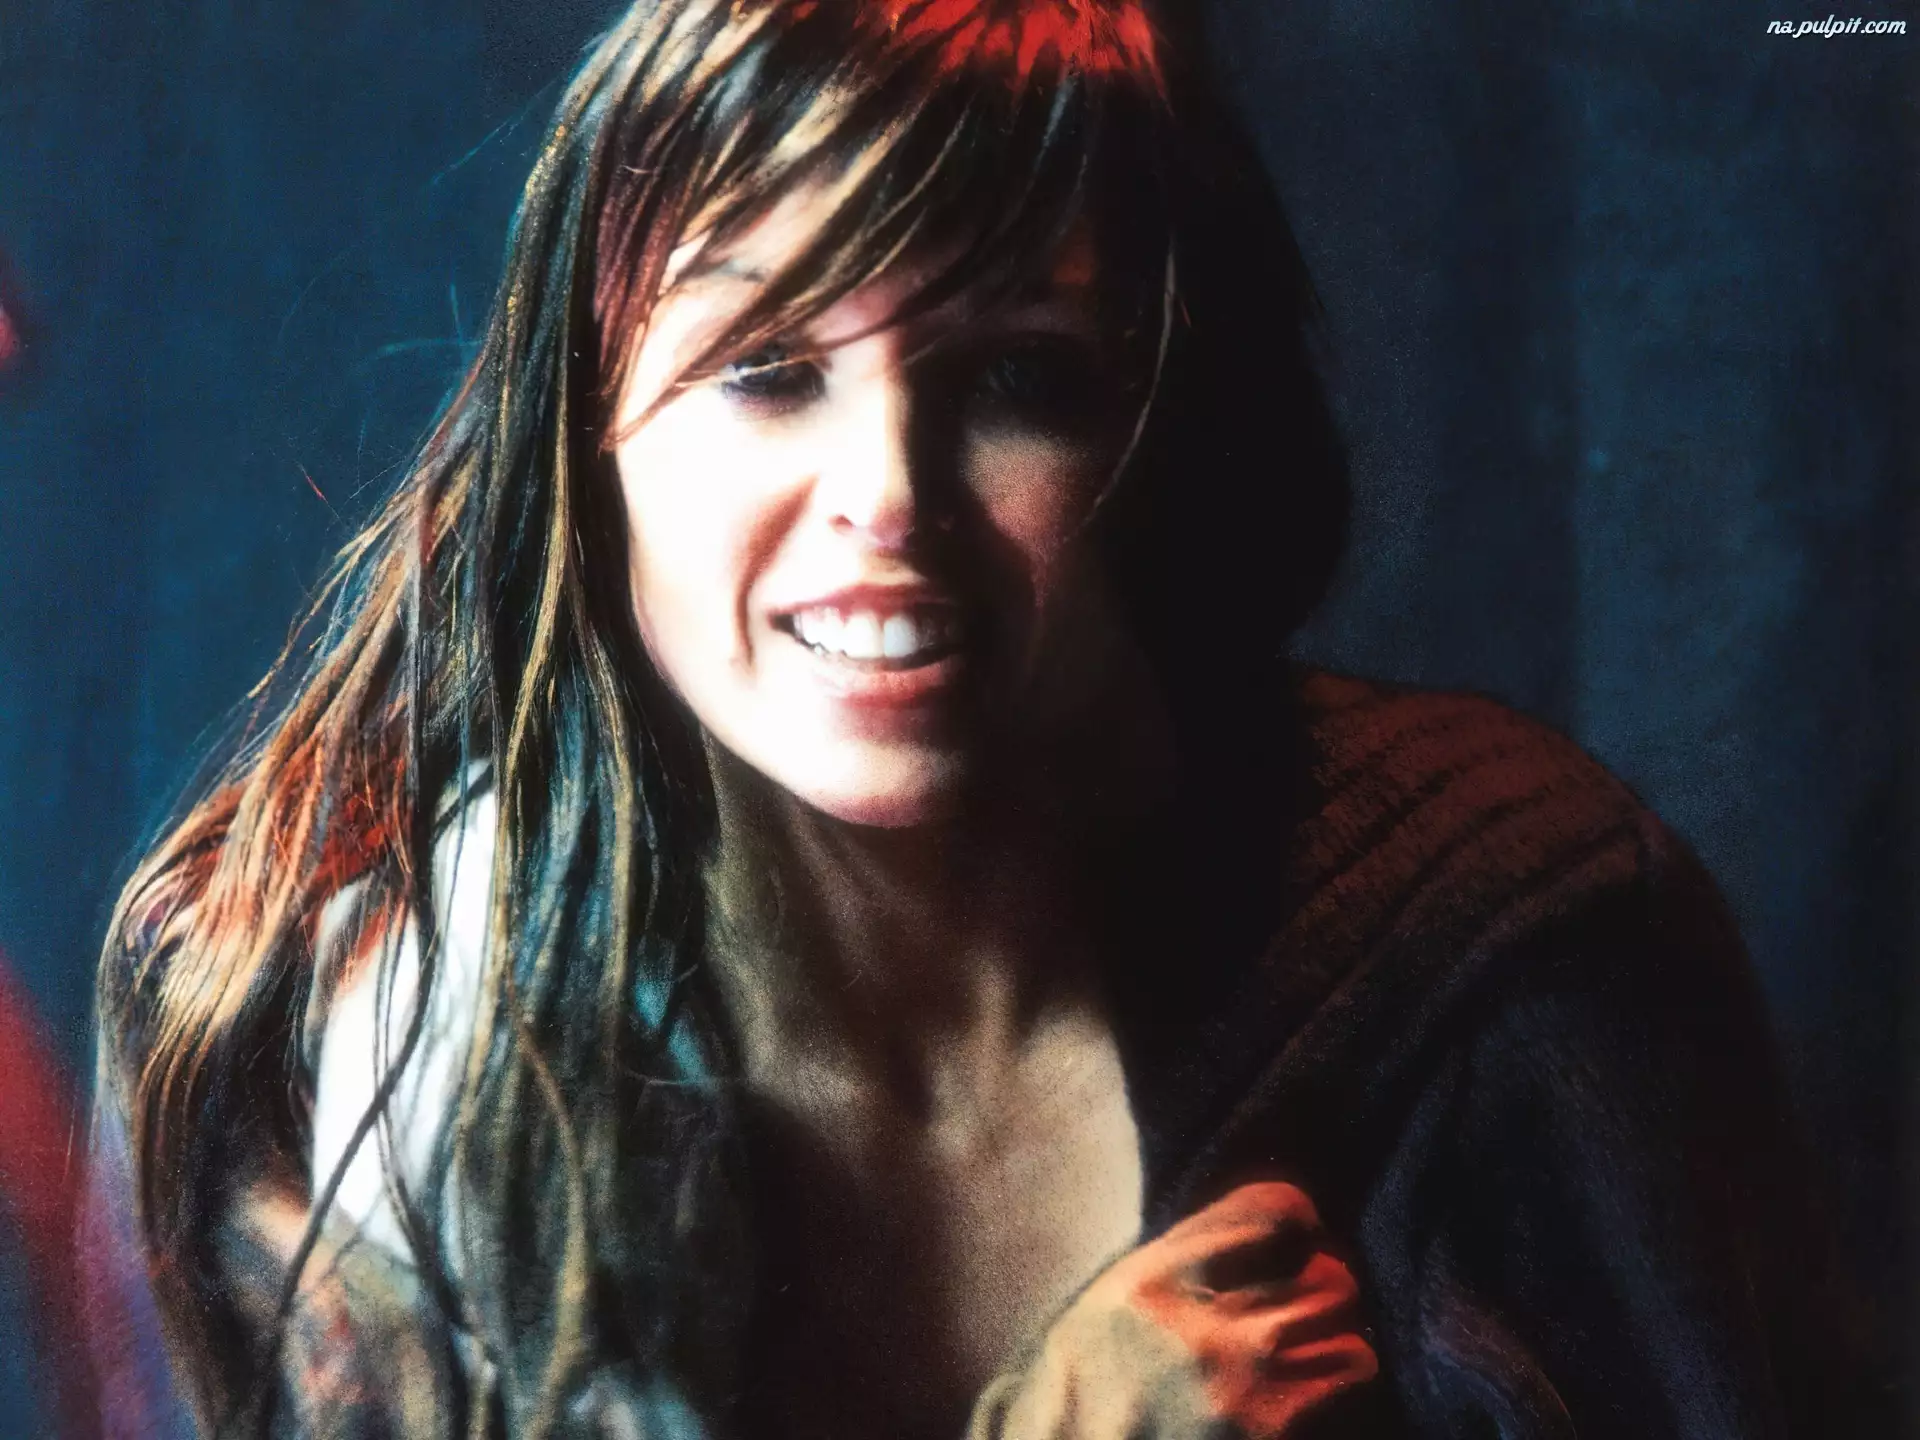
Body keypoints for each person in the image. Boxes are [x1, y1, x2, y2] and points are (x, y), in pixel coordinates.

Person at [90, 1, 1888, 1437]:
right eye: (768, 370)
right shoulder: (376, 1063)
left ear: (1162, 425)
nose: (891, 491)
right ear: (587, 432)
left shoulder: (1520, 964)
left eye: (1022, 374)